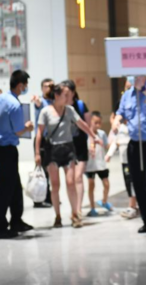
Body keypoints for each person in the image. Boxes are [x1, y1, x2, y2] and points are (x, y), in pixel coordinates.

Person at [35, 82, 102, 228]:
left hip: (68, 148)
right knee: (55, 184)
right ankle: (57, 216)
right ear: (57, 96)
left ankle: (74, 214)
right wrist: (37, 153)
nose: (68, 97)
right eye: (65, 95)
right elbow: (39, 133)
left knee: (70, 182)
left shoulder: (70, 110)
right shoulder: (45, 111)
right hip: (52, 150)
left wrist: (93, 136)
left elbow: (82, 124)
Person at [113, 75, 146, 235]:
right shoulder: (127, 95)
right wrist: (116, 121)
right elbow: (120, 113)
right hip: (135, 143)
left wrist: (143, 89)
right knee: (138, 182)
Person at [0, 70, 34, 239]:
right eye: (26, 85)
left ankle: (16, 221)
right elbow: (18, 131)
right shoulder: (14, 105)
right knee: (5, 188)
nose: (26, 88)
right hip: (7, 148)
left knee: (14, 185)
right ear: (21, 85)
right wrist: (28, 127)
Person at [106, 105, 139, 220]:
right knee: (128, 182)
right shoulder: (120, 128)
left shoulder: (132, 126)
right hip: (124, 160)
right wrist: (109, 154)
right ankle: (132, 204)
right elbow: (116, 142)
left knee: (134, 181)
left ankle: (133, 205)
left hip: (133, 159)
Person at [64, 80, 91, 219]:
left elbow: (88, 125)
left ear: (73, 93)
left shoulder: (80, 105)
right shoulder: (60, 107)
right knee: (70, 180)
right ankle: (74, 208)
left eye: (67, 92)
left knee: (78, 177)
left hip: (80, 147)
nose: (65, 95)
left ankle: (78, 209)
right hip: (67, 147)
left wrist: (92, 141)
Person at [32, 78, 54, 208]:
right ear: (42, 88)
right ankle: (39, 199)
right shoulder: (40, 101)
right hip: (41, 140)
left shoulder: (55, 101)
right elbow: (38, 102)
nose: (49, 88)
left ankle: (49, 197)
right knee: (41, 171)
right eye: (46, 86)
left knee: (51, 170)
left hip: (52, 141)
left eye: (51, 86)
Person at [85, 111, 111, 217]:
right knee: (91, 185)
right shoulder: (86, 134)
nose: (97, 125)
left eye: (99, 123)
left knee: (106, 184)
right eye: (95, 122)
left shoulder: (102, 134)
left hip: (101, 164)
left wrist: (105, 145)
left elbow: (106, 145)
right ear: (90, 121)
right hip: (90, 165)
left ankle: (104, 201)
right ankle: (92, 208)